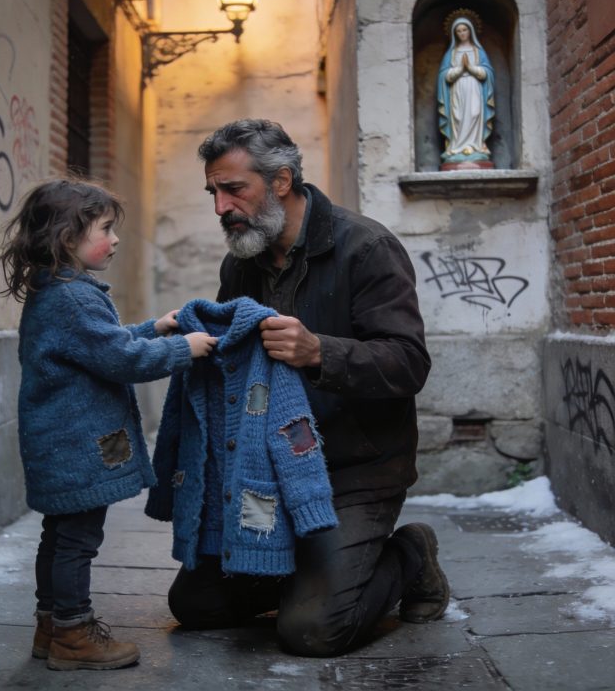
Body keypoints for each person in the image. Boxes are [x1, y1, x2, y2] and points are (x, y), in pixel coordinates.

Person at [164, 118, 448, 658]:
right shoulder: (240, 263)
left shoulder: (366, 247)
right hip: (269, 475)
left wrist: (320, 351)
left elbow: (410, 363)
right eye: (213, 193)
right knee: (195, 604)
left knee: (313, 631)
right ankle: (307, 573)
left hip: (355, 472)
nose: (221, 207)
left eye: (233, 189)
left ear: (281, 181)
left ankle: (410, 555)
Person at [0, 178, 217, 671]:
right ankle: (74, 635)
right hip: (76, 448)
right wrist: (183, 348)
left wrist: (153, 328)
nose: (115, 240)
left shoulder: (57, 291)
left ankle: (51, 625)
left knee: (58, 536)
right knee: (78, 541)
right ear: (67, 237)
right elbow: (120, 358)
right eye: (106, 229)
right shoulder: (73, 298)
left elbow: (97, 346)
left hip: (57, 443)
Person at [437, 15, 495, 168]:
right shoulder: (451, 53)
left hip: (474, 88)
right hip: (457, 89)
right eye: (459, 31)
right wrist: (460, 70)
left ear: (471, 31)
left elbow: (488, 73)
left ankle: (476, 146)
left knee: (475, 113)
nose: (462, 33)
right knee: (458, 117)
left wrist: (471, 68)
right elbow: (444, 76)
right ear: (455, 34)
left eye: (465, 30)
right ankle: (457, 148)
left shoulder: (478, 51)